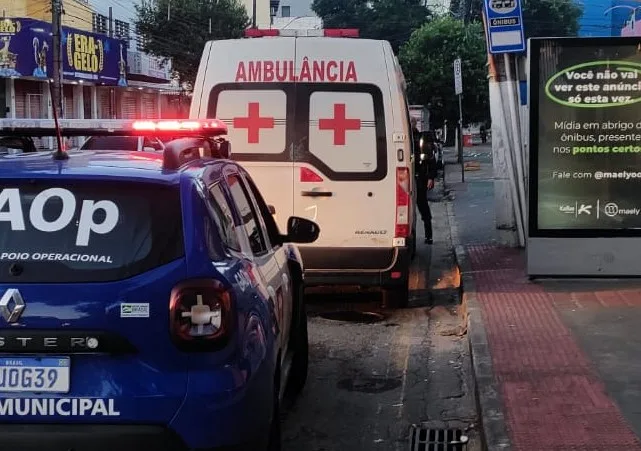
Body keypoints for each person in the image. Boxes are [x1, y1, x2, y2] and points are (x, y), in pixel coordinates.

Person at [411, 119, 437, 244]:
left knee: (423, 207)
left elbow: (431, 160)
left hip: (419, 177)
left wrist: (431, 177)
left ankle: (429, 236)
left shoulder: (422, 139)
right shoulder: (405, 139)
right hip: (408, 177)